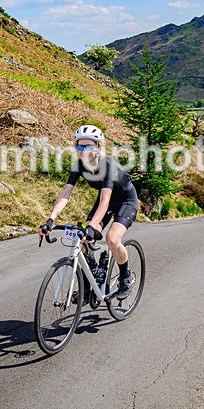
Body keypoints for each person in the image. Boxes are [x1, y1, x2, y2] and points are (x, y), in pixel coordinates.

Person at [39, 125, 138, 300]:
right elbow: (65, 194)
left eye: (89, 146)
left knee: (112, 239)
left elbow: (105, 201)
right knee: (82, 238)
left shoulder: (108, 166)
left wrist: (92, 226)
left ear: (99, 147)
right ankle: (89, 283)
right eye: (80, 146)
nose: (84, 151)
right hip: (104, 201)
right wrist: (50, 219)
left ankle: (125, 276)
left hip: (125, 201)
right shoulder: (79, 166)